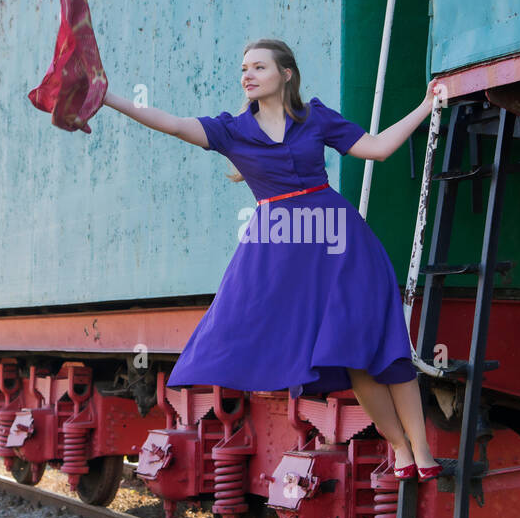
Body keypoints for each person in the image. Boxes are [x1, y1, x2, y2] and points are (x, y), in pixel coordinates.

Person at [101, 39, 442, 479]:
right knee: (351, 357)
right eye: (244, 68)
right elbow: (170, 124)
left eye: (259, 66)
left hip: (343, 246)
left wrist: (425, 106)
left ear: (285, 74)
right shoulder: (232, 130)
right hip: (284, 254)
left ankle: (421, 450)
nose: (248, 74)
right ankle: (401, 448)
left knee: (382, 346)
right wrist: (108, 97)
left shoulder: (315, 117)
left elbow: (376, 148)